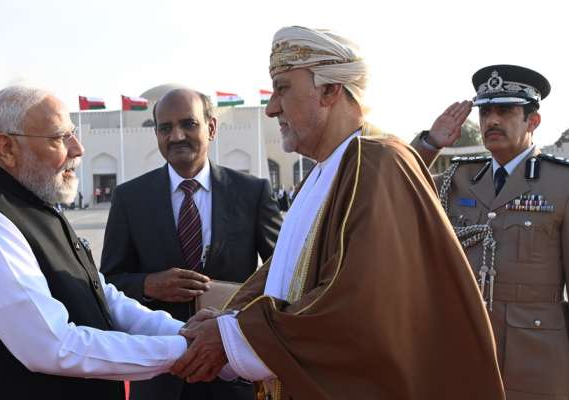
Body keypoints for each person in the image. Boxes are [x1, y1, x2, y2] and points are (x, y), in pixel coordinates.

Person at [170, 26, 504, 400]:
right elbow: (285, 269)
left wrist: (237, 335)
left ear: (330, 90)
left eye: (282, 89)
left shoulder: (377, 163)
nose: (271, 108)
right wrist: (230, 317)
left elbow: (355, 303)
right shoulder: (325, 171)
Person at [0, 86, 191, 400]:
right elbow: (52, 346)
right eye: (60, 137)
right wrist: (184, 350)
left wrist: (182, 330)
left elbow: (101, 296)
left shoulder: (38, 208)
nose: (78, 149)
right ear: (7, 148)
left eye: (73, 134)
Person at [100, 88, 282, 400]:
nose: (177, 136)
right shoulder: (130, 198)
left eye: (188, 124)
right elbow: (107, 283)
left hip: (231, 372)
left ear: (211, 127)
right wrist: (148, 285)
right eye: (165, 128)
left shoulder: (251, 193)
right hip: (161, 377)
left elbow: (282, 273)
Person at [411, 64, 568, 400]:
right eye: (485, 112)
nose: (492, 121)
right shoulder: (458, 178)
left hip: (536, 356)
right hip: (464, 346)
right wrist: (430, 144)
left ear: (533, 121)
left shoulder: (562, 184)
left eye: (505, 111)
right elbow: (396, 188)